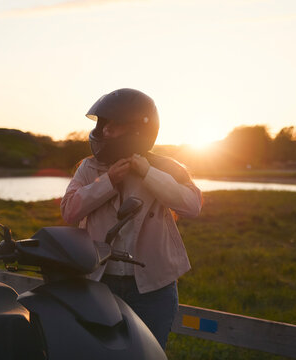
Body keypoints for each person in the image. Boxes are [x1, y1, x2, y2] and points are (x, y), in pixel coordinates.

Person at [60, 88, 202, 349]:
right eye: (103, 125)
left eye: (113, 126)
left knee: (148, 353)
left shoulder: (166, 167)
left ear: (137, 131)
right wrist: (108, 181)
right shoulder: (88, 167)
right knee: (98, 354)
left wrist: (149, 174)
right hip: (100, 282)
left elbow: (192, 206)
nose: (103, 132)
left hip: (154, 288)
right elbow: (69, 210)